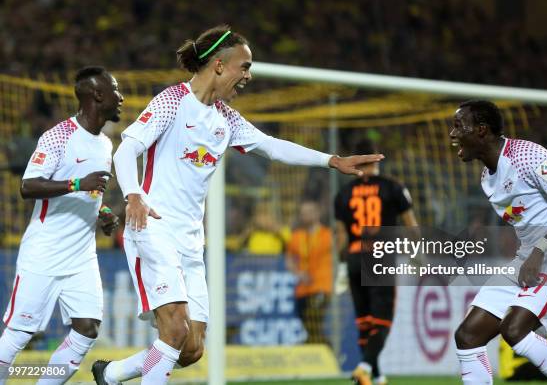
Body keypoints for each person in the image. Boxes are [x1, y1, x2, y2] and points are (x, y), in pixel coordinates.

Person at [92, 24, 383, 385]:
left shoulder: (225, 119)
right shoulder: (173, 101)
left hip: (190, 240)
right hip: (154, 229)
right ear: (218, 65)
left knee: (192, 348)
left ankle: (111, 373)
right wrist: (133, 193)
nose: (248, 75)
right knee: (174, 333)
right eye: (243, 66)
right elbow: (129, 147)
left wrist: (332, 161)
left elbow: (273, 147)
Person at [450, 100, 547, 385]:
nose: (452, 134)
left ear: (481, 130)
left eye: (458, 126)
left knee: (515, 330)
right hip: (530, 256)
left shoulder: (526, 156)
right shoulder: (486, 179)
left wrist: (540, 250)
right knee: (467, 335)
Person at [0, 66, 121, 385]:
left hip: (81, 256)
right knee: (18, 335)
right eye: (115, 91)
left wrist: (104, 211)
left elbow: (92, 192)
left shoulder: (105, 144)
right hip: (45, 253)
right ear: (97, 95)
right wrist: (78, 182)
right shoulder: (58, 136)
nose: (121, 98)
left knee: (88, 328)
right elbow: (28, 186)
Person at [334, 138, 419, 385]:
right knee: (382, 322)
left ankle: (377, 375)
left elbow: (340, 237)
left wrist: (342, 265)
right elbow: (411, 226)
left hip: (353, 258)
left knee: (365, 322)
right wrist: (417, 255)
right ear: (377, 159)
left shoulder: (343, 193)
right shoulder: (393, 187)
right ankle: (363, 368)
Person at [286, 200, 333, 345]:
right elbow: (289, 259)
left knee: (313, 321)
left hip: (321, 286)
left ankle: (323, 350)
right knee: (309, 327)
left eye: (309, 212)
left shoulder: (327, 235)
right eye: (302, 213)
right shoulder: (296, 236)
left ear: (317, 213)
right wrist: (298, 273)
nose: (305, 216)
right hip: (302, 289)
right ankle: (324, 352)